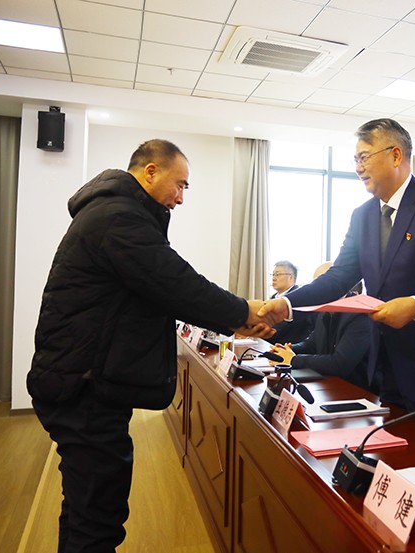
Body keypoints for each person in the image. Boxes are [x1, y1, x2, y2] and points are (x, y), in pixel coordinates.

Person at [27, 139, 274, 552]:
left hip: (80, 380)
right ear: (150, 172)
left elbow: (163, 288)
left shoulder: (115, 212)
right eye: (180, 185)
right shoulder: (118, 217)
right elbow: (175, 283)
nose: (181, 197)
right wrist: (242, 311)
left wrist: (235, 319)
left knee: (84, 508)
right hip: (84, 387)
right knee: (98, 519)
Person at [260, 118, 415, 434]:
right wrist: (286, 304)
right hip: (386, 366)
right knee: (391, 448)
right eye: (355, 159)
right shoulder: (363, 216)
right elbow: (338, 278)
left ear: (395, 155)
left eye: (364, 157)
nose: (358, 167)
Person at [269, 262, 373, 392]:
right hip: (329, 385)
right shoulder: (325, 309)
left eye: (320, 286)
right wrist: (287, 350)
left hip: (357, 390)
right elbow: (312, 344)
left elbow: (340, 363)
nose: (316, 292)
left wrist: (293, 359)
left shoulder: (360, 314)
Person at [269, 260, 315, 344]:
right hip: (271, 343)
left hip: (289, 346)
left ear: (291, 277)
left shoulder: (298, 298)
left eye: (278, 274)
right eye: (273, 274)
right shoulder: (273, 297)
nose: (273, 278)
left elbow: (282, 328)